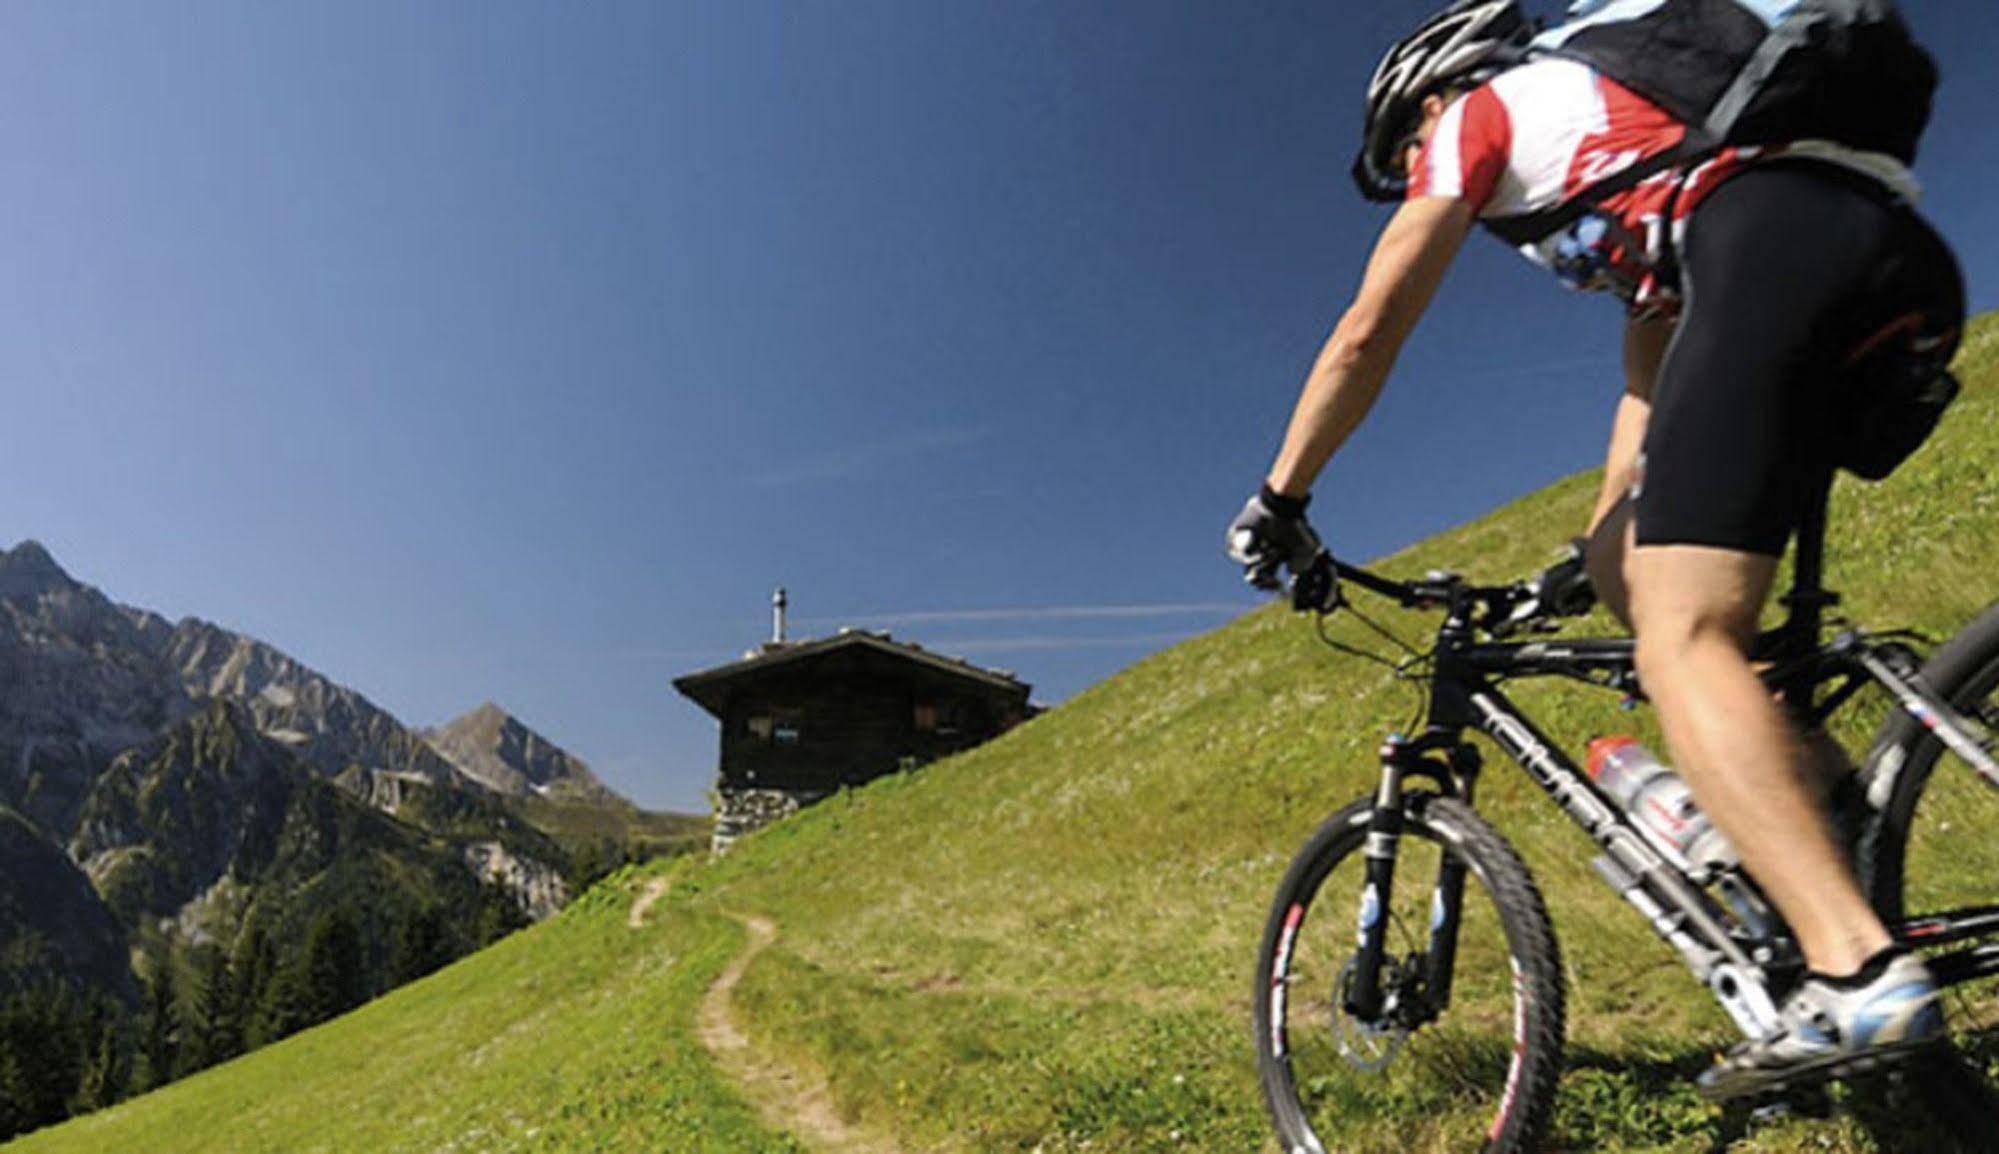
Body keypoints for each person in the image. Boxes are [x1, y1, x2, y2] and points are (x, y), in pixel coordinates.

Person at [1226, 0, 1964, 1098]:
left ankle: (1858, 974)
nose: (1415, 167)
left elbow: (1367, 329)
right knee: (1654, 589)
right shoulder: (1638, 155)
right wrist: (1598, 545)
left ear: (1430, 99)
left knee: (1681, 641)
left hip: (1774, 249)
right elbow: (1648, 378)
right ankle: (1826, 831)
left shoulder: (1479, 118)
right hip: (1890, 261)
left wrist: (1280, 496)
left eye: (1403, 150)